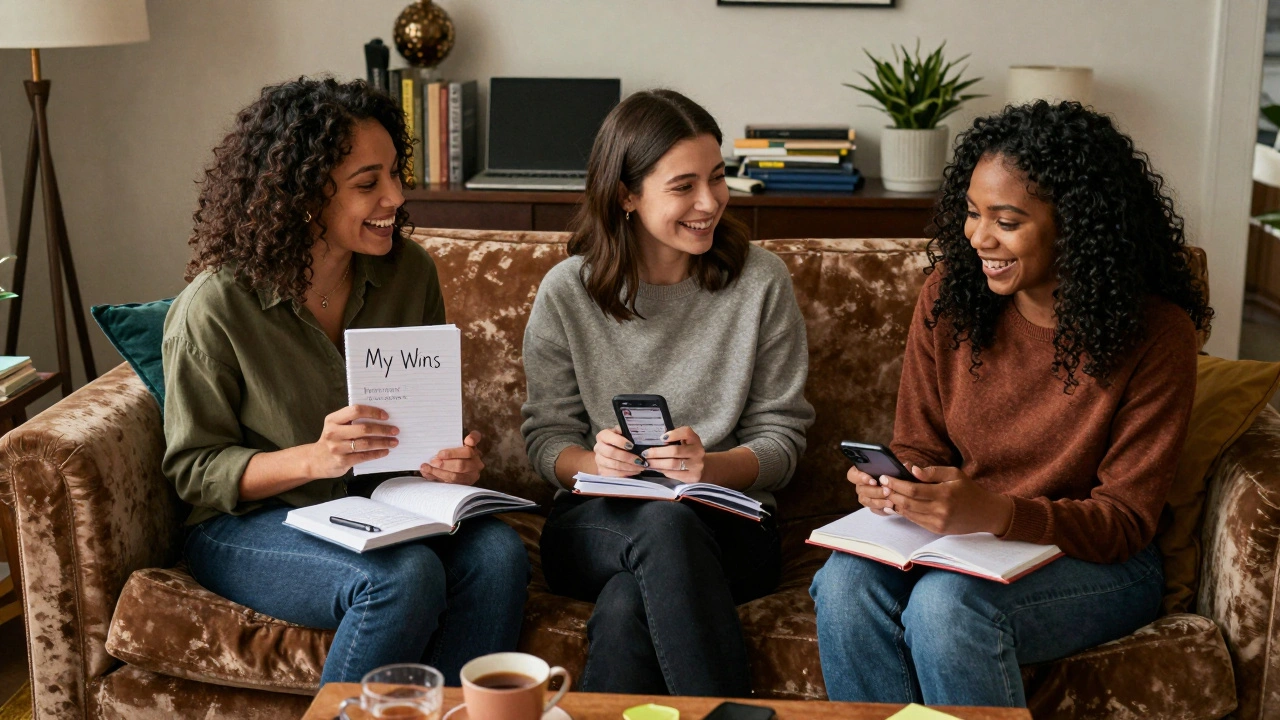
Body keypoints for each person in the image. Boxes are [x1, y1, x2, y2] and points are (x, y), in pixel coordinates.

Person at [809, 100, 1213, 707]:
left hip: (1100, 560)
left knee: (948, 609)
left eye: (1007, 220)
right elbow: (918, 442)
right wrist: (898, 487)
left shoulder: (1156, 333)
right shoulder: (949, 298)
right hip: (963, 541)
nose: (978, 237)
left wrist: (994, 513)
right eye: (972, 214)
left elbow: (1123, 523)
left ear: (1076, 223)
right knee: (843, 584)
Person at [163, 77, 528, 686]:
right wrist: (313, 458)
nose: (395, 197)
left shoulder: (409, 272)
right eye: (368, 183)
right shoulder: (216, 305)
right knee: (403, 576)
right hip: (251, 523)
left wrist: (450, 461)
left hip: (378, 509)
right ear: (306, 195)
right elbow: (194, 468)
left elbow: (426, 418)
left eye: (394, 173)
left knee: (497, 554)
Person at [520, 89, 815, 696]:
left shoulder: (760, 281)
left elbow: (783, 443)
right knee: (660, 525)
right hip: (597, 524)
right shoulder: (566, 292)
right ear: (627, 195)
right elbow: (546, 440)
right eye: (683, 186)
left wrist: (710, 466)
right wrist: (592, 461)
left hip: (729, 525)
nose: (710, 202)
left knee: (632, 599)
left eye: (717, 178)